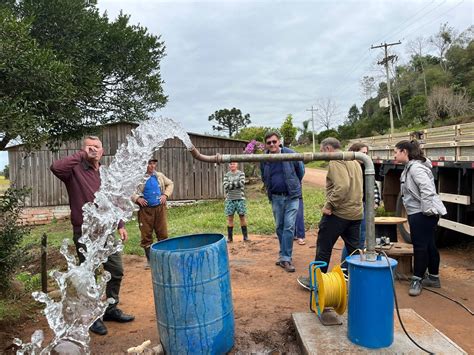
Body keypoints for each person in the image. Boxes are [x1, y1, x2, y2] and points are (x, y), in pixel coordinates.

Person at [50, 135, 134, 336]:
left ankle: (111, 309)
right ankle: (93, 317)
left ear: (102, 151)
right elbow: (55, 167)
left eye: (96, 147)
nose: (93, 150)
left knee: (116, 270)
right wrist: (81, 155)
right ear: (83, 150)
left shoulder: (104, 174)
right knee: (90, 275)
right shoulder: (74, 170)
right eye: (89, 147)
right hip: (85, 232)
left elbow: (112, 201)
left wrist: (120, 224)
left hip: (107, 230)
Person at [394, 140, 446, 296]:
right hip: (419, 213)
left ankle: (417, 280)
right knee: (429, 244)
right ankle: (434, 278)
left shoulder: (416, 169)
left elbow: (428, 191)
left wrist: (426, 211)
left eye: (396, 151)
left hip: (422, 213)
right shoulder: (411, 167)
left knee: (420, 247)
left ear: (405, 152)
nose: (394, 155)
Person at [314, 137, 363, 274]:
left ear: (328, 149)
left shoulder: (335, 160)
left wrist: (329, 205)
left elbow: (342, 186)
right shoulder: (354, 160)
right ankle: (357, 280)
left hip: (339, 214)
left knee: (323, 247)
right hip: (356, 214)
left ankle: (318, 279)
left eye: (321, 151)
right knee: (354, 251)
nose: (321, 154)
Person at [260, 131, 304, 272]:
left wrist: (293, 185)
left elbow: (300, 171)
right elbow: (264, 176)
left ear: (279, 141)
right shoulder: (264, 158)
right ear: (266, 145)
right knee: (279, 226)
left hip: (292, 196)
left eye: (274, 141)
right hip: (276, 197)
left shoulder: (290, 153)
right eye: (269, 142)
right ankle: (283, 254)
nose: (272, 144)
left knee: (289, 226)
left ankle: (285, 258)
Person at [340, 142, 380, 264]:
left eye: (367, 153)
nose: (365, 156)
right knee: (355, 239)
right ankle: (346, 266)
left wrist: (376, 201)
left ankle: (349, 266)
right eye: (363, 153)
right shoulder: (348, 166)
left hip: (364, 205)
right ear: (355, 152)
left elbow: (373, 185)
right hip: (353, 207)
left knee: (361, 238)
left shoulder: (366, 166)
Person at [131, 159, 174, 269]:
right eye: (149, 163)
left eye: (154, 163)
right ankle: (150, 261)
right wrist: (137, 198)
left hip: (160, 209)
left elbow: (170, 184)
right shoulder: (139, 177)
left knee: (162, 233)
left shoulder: (159, 175)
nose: (152, 166)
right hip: (145, 210)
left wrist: (165, 195)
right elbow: (129, 190)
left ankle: (164, 259)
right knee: (146, 235)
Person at [223, 162, 248, 242]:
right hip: (230, 199)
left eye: (234, 164)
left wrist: (231, 184)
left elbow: (242, 183)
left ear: (237, 165)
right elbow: (226, 185)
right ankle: (230, 238)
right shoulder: (227, 175)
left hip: (240, 198)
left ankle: (245, 237)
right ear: (229, 165)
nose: (232, 165)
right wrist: (236, 184)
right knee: (230, 218)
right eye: (230, 164)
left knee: (242, 217)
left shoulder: (241, 173)